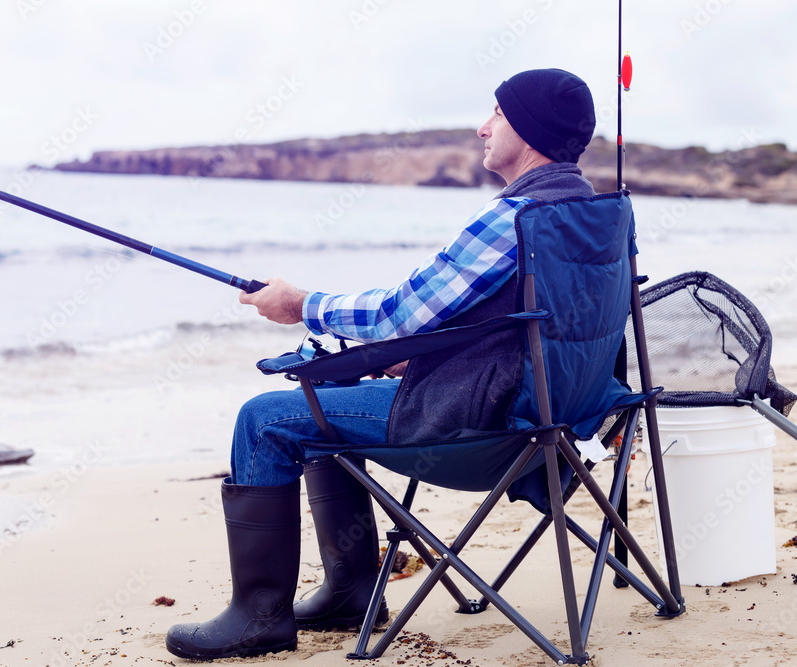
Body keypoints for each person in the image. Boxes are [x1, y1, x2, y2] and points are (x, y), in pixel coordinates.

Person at [165, 68, 598, 661]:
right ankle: (349, 593)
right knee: (328, 391)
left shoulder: (513, 217)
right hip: (562, 417)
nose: (482, 128)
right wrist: (432, 352)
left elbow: (399, 315)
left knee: (265, 418)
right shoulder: (594, 213)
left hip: (483, 424)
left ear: (526, 128)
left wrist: (302, 306)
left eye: (496, 113)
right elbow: (541, 321)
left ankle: (258, 616)